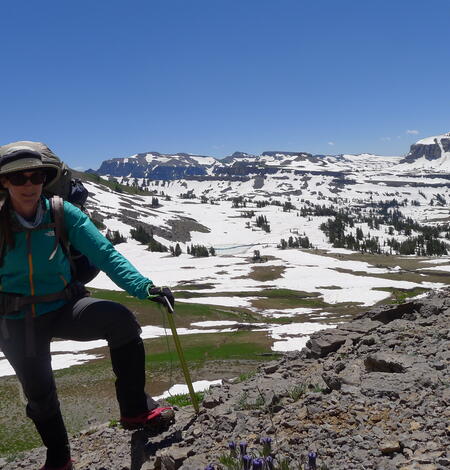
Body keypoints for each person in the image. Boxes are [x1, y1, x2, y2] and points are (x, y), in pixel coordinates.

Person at [0, 142, 175, 470]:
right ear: (4, 183)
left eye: (35, 176)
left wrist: (145, 288)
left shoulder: (61, 212)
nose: (29, 185)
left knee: (120, 320)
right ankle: (59, 456)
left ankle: (135, 410)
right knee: (39, 392)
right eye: (18, 178)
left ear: (44, 179)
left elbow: (105, 254)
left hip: (65, 307)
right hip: (15, 317)